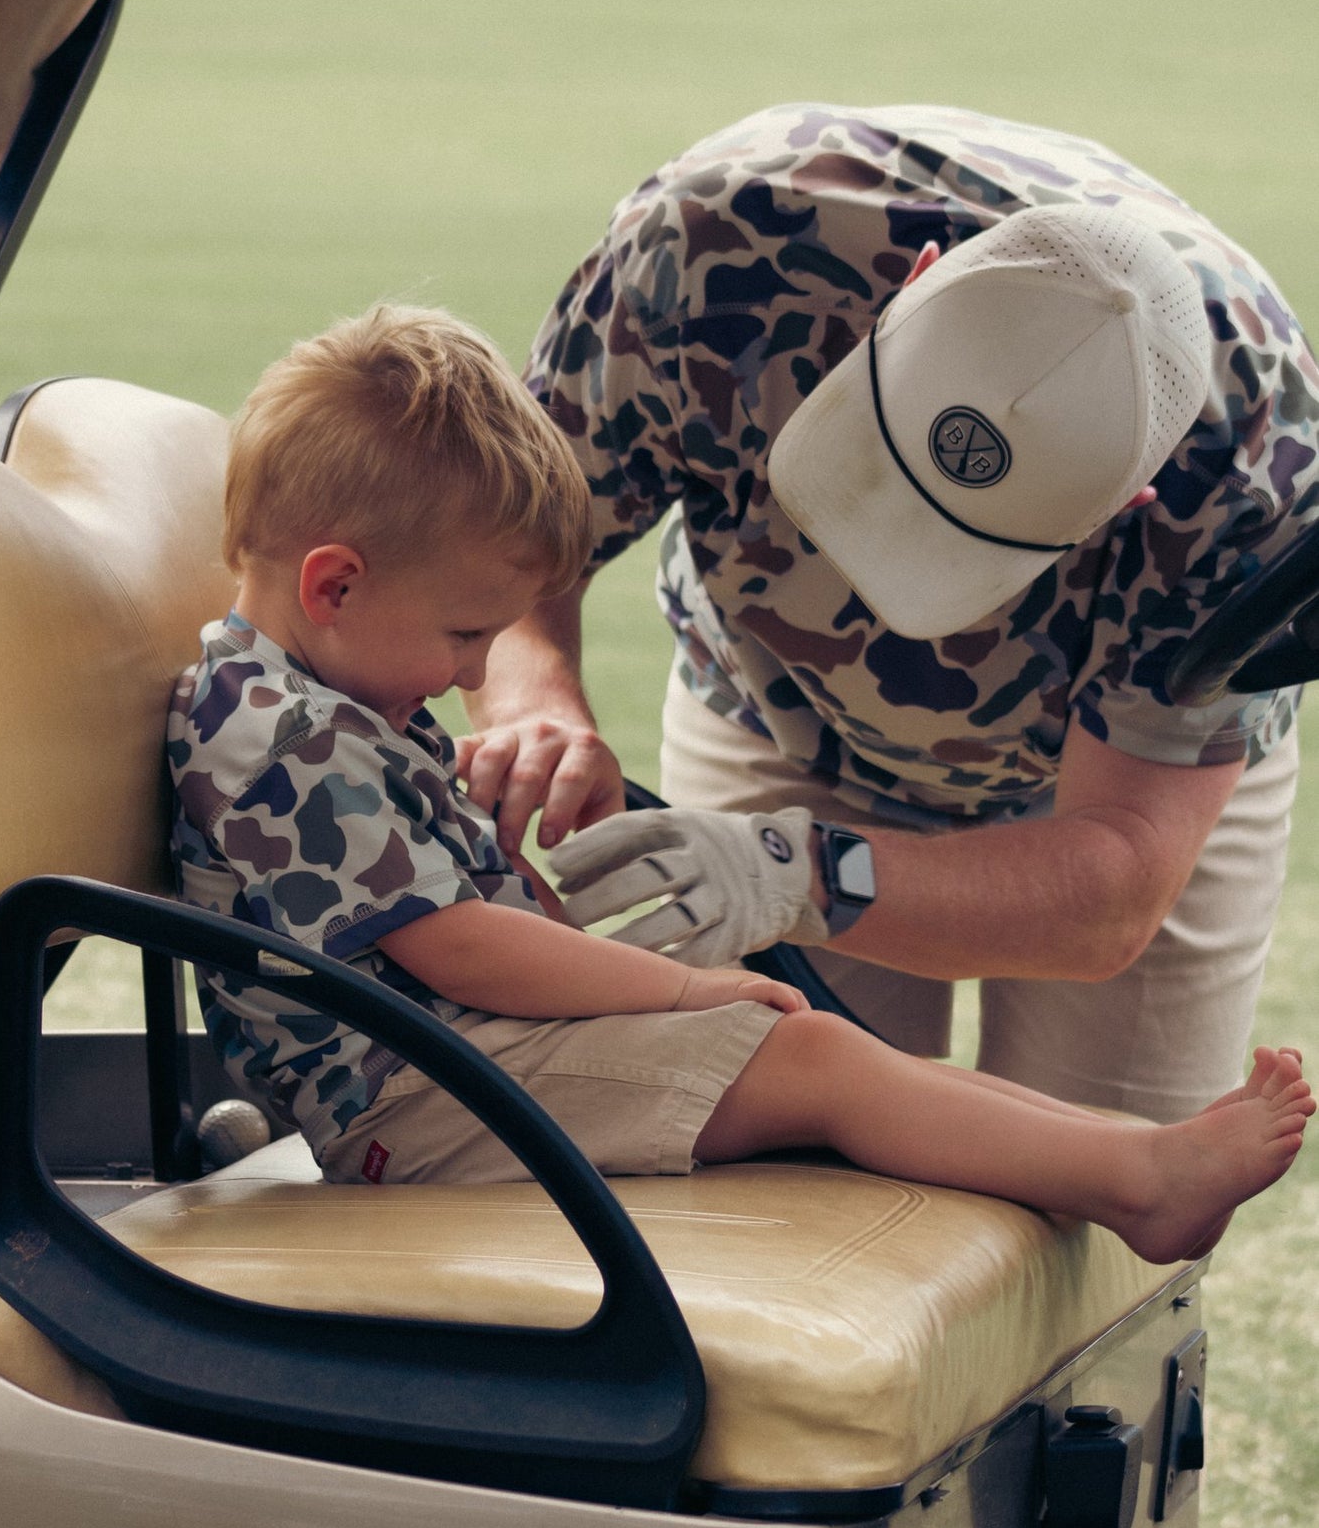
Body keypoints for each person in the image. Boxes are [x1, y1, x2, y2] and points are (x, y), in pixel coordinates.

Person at [166, 303, 1311, 1262]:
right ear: (334, 584)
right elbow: (456, 946)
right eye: (465, 633)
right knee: (803, 1051)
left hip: (455, 1059)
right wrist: (675, 990)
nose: (475, 672)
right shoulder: (281, 736)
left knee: (823, 1050)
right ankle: (1135, 1177)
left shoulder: (317, 703)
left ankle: (1115, 1153)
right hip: (416, 1099)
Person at [457, 105, 1319, 1123]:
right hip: (777, 717)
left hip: (1101, 795)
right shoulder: (700, 250)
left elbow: (1112, 885)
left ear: (1127, 494)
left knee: (1114, 1202)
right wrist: (533, 702)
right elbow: (510, 542)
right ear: (910, 280)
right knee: (784, 1165)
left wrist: (798, 872)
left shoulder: (1254, 478)